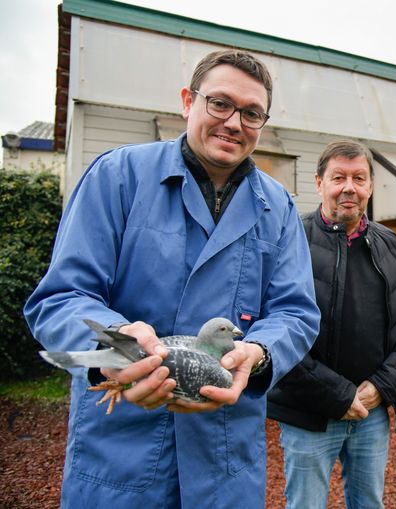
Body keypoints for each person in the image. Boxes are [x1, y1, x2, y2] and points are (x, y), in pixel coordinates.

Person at [24, 49, 320, 508]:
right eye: (219, 103)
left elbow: (295, 312)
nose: (234, 122)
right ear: (188, 101)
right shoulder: (118, 176)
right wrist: (117, 344)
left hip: (225, 457)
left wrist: (258, 353)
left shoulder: (278, 207)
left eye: (252, 113)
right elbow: (62, 296)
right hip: (121, 448)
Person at [267, 139, 396, 509]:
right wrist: (338, 396)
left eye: (359, 178)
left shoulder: (389, 243)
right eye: (338, 177)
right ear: (319, 183)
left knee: (368, 503)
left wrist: (382, 385)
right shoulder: (289, 240)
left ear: (370, 186)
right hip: (307, 414)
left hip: (371, 413)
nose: (349, 187)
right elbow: (272, 328)